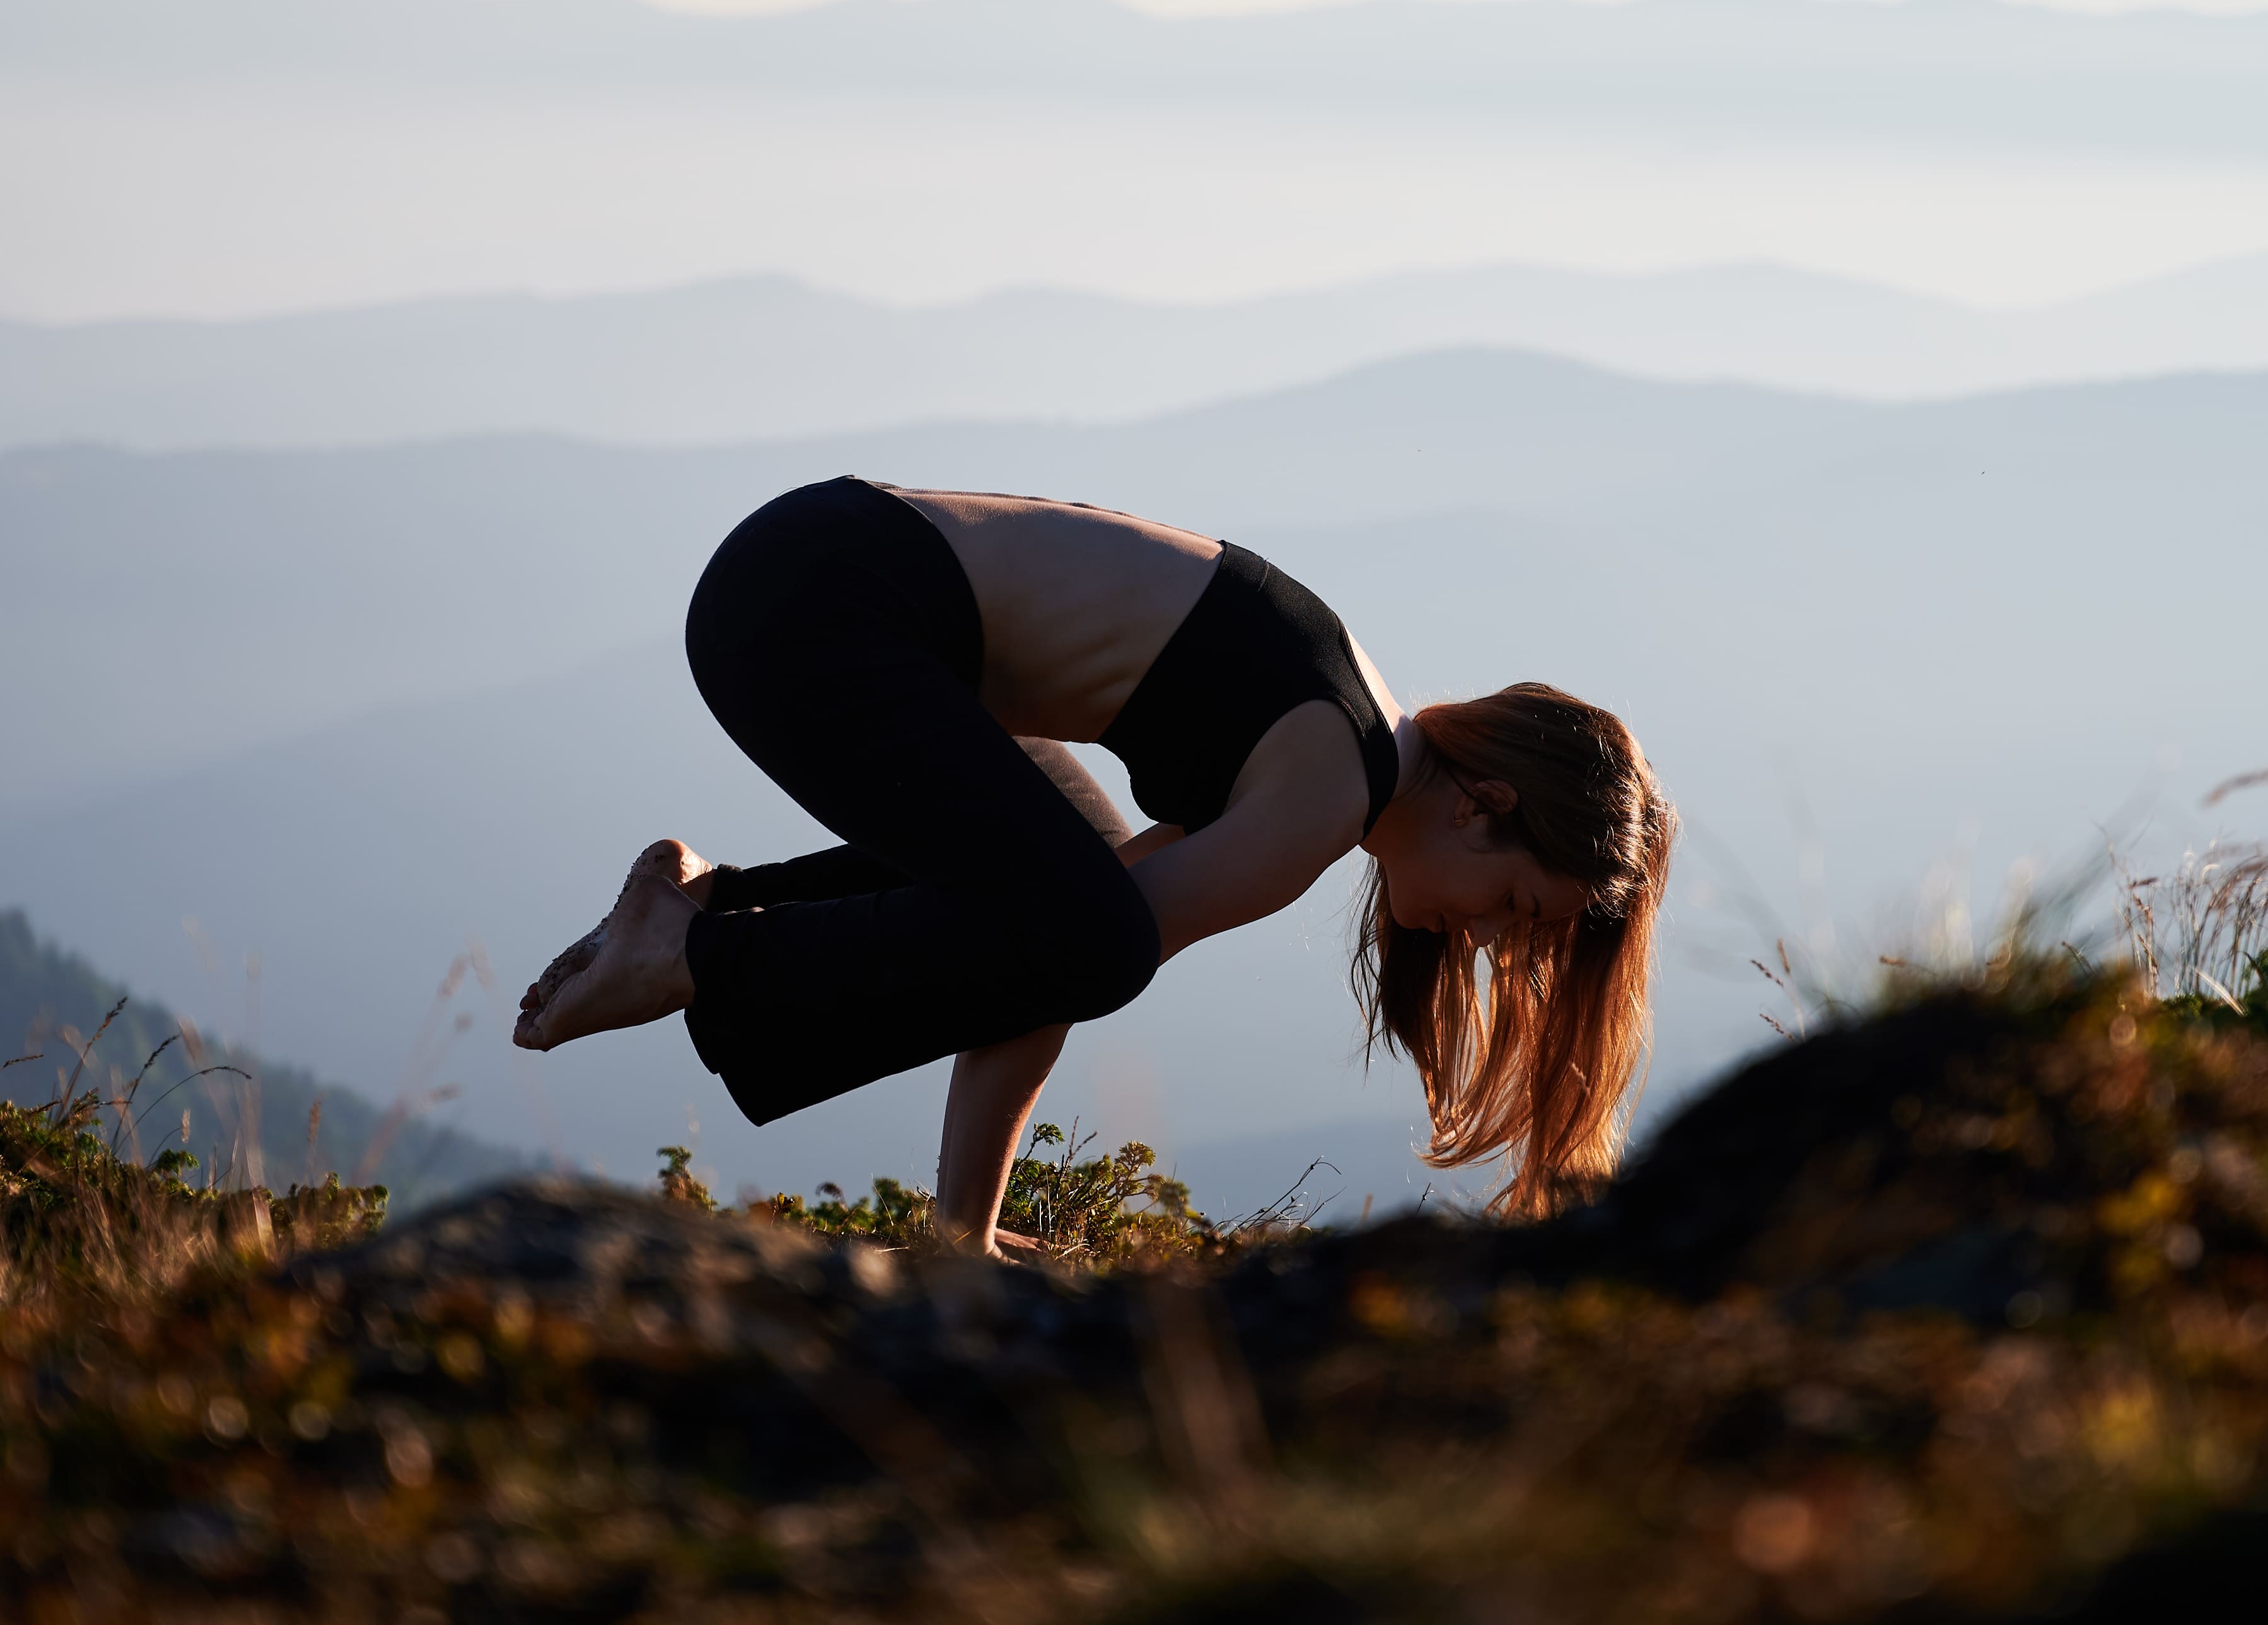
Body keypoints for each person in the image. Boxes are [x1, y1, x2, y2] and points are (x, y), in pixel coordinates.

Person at [515, 477, 1673, 1249]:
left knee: (1070, 896)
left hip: (813, 570)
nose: (1485, 940)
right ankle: (691, 947)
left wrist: (961, 1227)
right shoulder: (1329, 792)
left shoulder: (1349, 733)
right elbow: (1059, 964)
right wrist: (961, 1238)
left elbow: (1033, 947)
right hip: (821, 609)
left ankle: (701, 908)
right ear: (1484, 806)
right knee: (1088, 935)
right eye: (1517, 907)